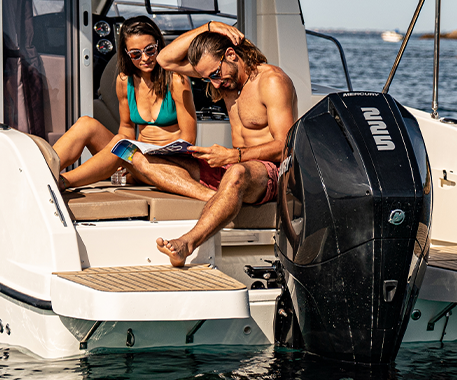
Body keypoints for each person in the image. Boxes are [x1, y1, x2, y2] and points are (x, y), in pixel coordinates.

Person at [127, 20, 298, 266]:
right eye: (209, 79)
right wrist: (209, 27)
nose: (216, 84)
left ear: (231, 54)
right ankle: (218, 197)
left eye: (216, 75)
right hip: (232, 166)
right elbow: (165, 60)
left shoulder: (270, 81)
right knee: (138, 158)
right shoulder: (224, 78)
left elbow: (285, 147)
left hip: (268, 172)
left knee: (237, 172)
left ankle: (187, 243)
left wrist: (233, 157)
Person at [52, 16, 196, 189]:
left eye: (150, 50)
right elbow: (127, 127)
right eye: (136, 54)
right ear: (127, 55)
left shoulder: (177, 81)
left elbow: (188, 139)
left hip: (168, 166)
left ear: (159, 45)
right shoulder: (124, 81)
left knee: (121, 144)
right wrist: (124, 161)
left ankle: (62, 182)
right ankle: (41, 171)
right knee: (86, 124)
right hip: (136, 159)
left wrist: (133, 156)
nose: (145, 58)